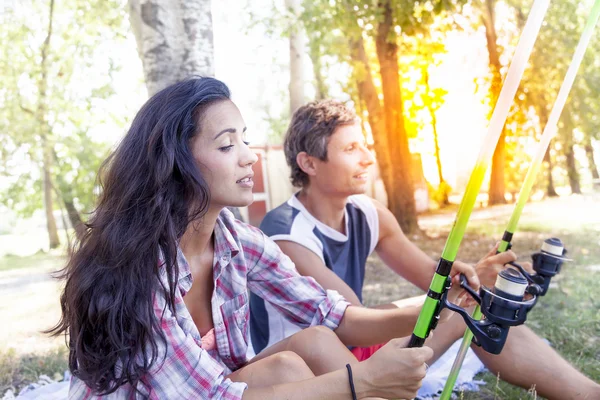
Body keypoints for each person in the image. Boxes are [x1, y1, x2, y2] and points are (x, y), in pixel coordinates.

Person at [48, 77, 483, 399]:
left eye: (245, 141)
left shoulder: (238, 243)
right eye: (225, 146)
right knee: (301, 375)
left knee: (307, 346)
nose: (247, 156)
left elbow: (332, 314)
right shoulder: (139, 268)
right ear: (176, 163)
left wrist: (443, 302)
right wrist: (362, 382)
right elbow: (213, 398)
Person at [250, 99, 600, 399]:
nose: (368, 158)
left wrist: (474, 278)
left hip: (354, 343)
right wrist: (458, 303)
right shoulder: (286, 235)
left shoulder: (369, 212)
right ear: (309, 163)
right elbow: (351, 324)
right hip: (312, 368)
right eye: (350, 149)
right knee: (469, 311)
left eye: (364, 145)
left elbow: (433, 279)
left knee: (478, 306)